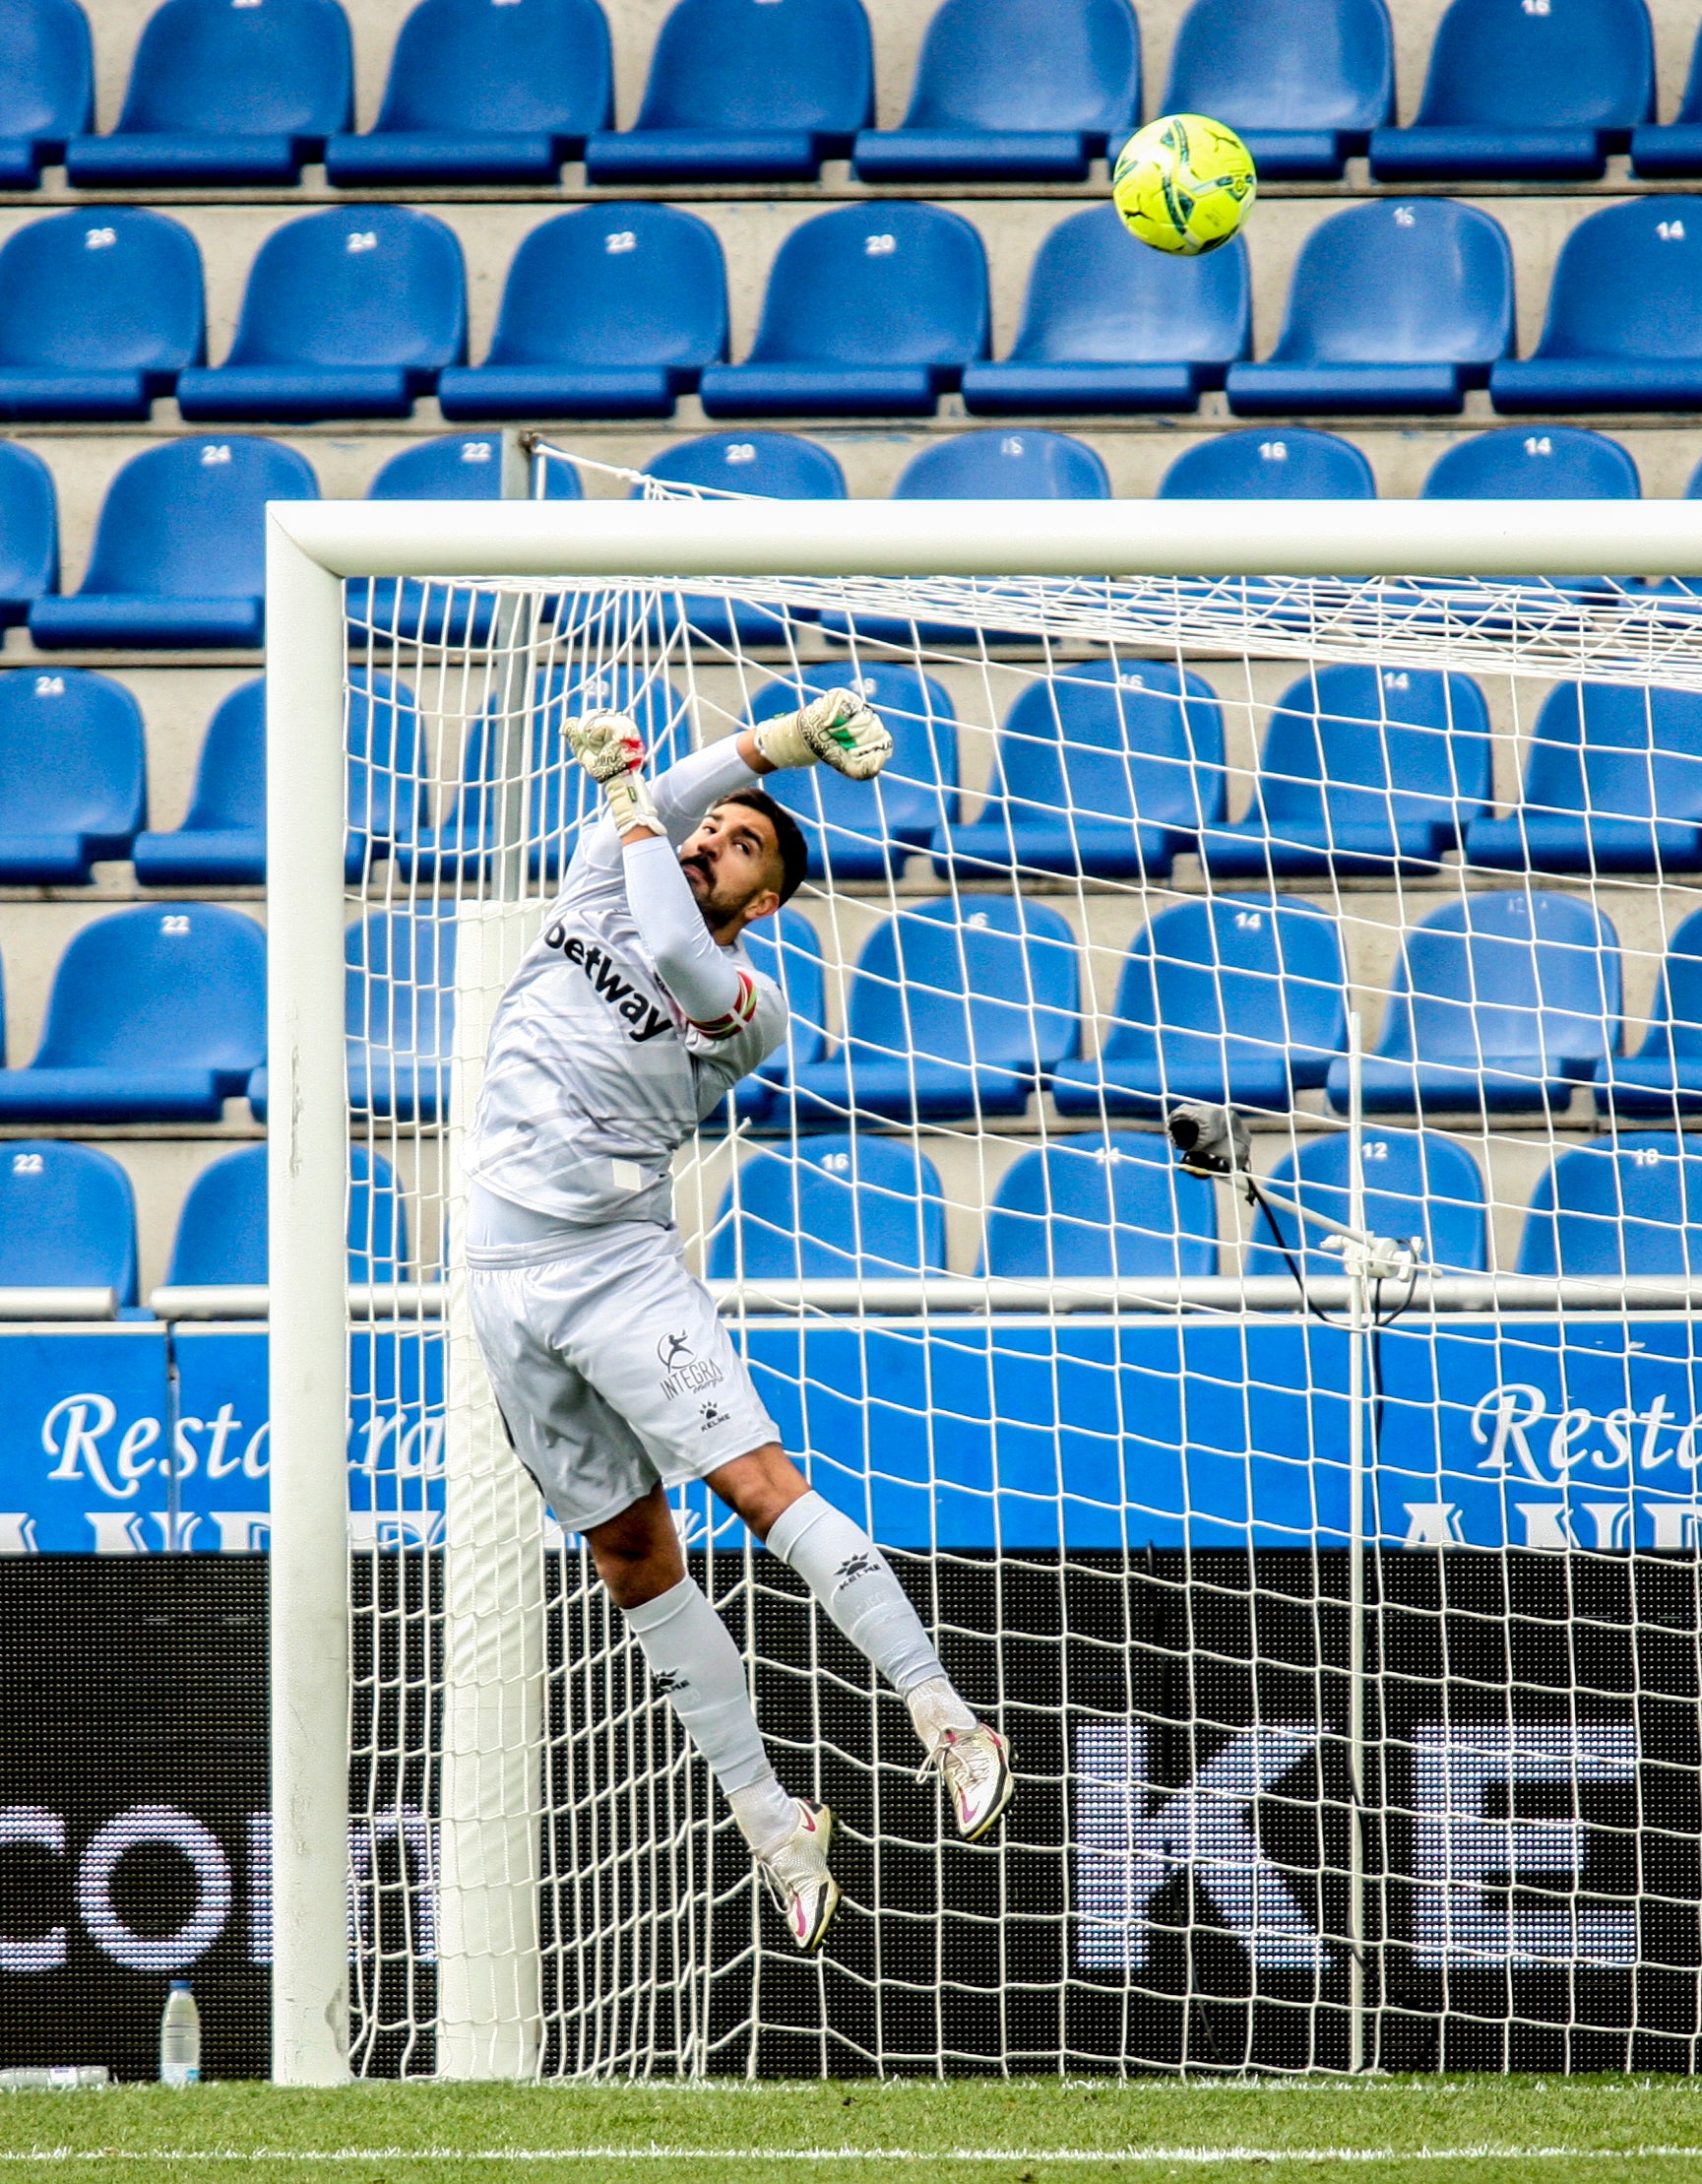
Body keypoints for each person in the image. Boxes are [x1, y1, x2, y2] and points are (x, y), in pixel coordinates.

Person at [464, 686, 1014, 1955]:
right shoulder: (611, 868)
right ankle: (774, 1824)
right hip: (498, 1279)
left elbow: (670, 940)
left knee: (756, 1488)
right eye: (710, 830)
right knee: (628, 1558)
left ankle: (945, 1719)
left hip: (616, 1268)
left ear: (766, 902)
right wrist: (773, 745)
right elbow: (656, 821)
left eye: (745, 843)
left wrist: (636, 803)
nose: (713, 840)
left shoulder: (749, 1009)